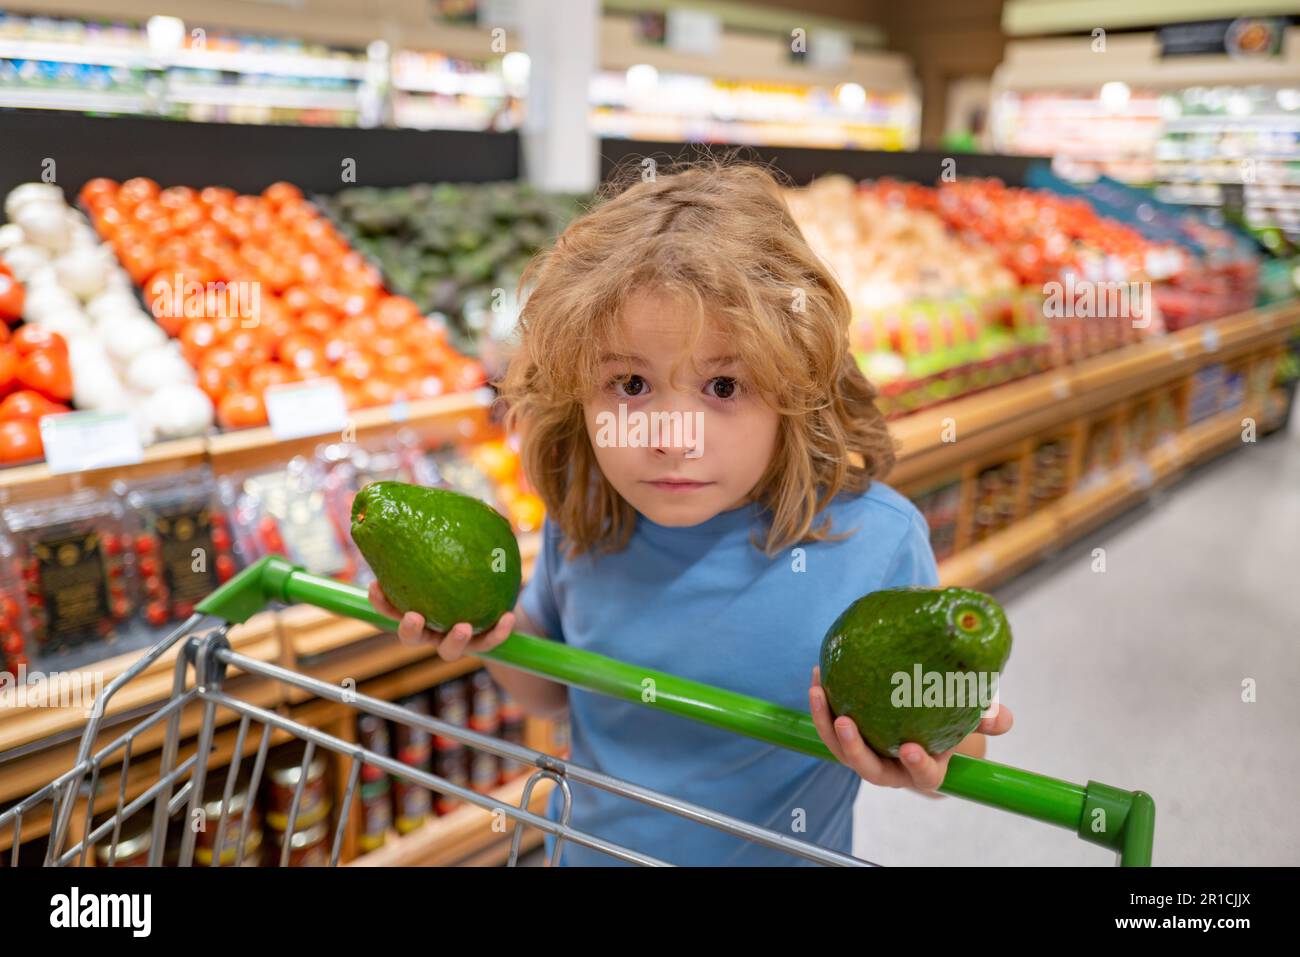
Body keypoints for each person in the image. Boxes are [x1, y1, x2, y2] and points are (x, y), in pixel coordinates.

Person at [369, 159, 1013, 865]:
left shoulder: (875, 542)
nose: (674, 436)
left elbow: (951, 732)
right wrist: (484, 633)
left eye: (724, 384)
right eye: (632, 383)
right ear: (575, 391)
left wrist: (938, 753)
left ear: (797, 384)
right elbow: (555, 692)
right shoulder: (586, 519)